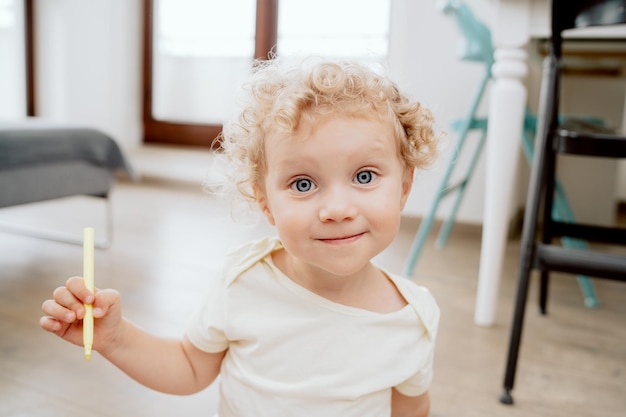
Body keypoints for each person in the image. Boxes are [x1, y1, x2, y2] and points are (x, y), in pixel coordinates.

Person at [40, 57, 441, 417]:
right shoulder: (243, 281)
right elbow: (190, 368)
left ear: (404, 187)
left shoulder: (414, 319)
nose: (337, 209)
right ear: (264, 201)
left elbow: (411, 410)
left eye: (364, 176)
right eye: (303, 184)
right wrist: (116, 337)